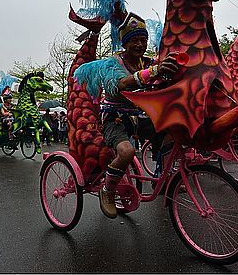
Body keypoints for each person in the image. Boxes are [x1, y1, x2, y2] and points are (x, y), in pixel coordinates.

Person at [75, 12, 180, 219]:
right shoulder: (113, 63)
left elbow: (163, 72)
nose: (140, 45)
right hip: (114, 118)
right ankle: (108, 190)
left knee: (174, 134)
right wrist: (155, 71)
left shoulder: (148, 62)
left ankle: (165, 176)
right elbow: (120, 85)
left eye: (143, 40)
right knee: (126, 152)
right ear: (125, 43)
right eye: (135, 41)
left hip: (140, 116)